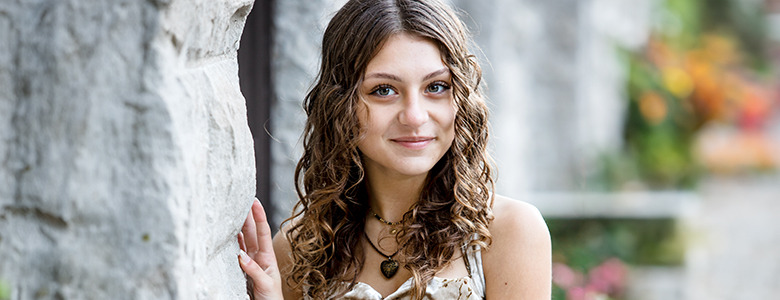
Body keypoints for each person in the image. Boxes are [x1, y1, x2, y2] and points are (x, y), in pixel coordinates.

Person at [237, 0, 551, 299]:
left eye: (436, 87)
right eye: (384, 90)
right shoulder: (299, 247)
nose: (414, 116)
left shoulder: (509, 233)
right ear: (340, 105)